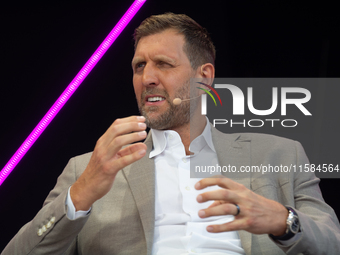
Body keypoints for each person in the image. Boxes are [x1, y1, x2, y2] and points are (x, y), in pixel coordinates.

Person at [2, 13, 340, 255]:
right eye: (139, 66)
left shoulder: (280, 153)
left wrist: (283, 220)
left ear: (204, 76)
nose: (147, 77)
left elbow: (331, 242)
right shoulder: (88, 169)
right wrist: (80, 196)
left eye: (163, 64)